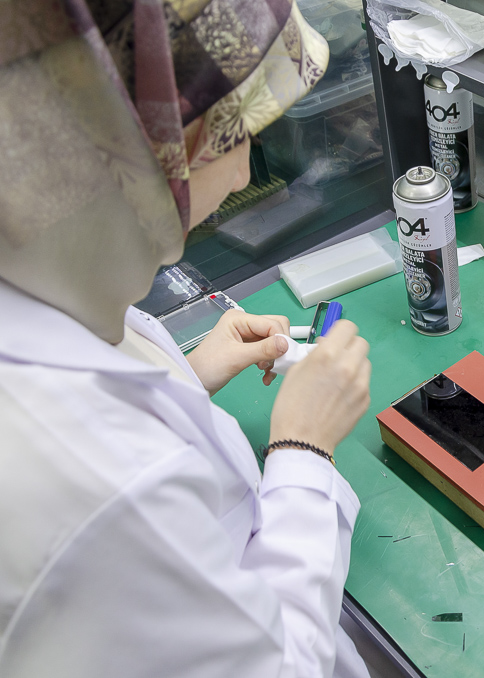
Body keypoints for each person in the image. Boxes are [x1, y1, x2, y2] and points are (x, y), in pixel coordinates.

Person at [0, 1, 373, 676]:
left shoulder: (37, 267)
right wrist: (304, 447)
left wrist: (186, 376)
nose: (243, 174)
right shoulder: (106, 490)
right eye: (231, 139)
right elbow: (280, 667)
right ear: (137, 159)